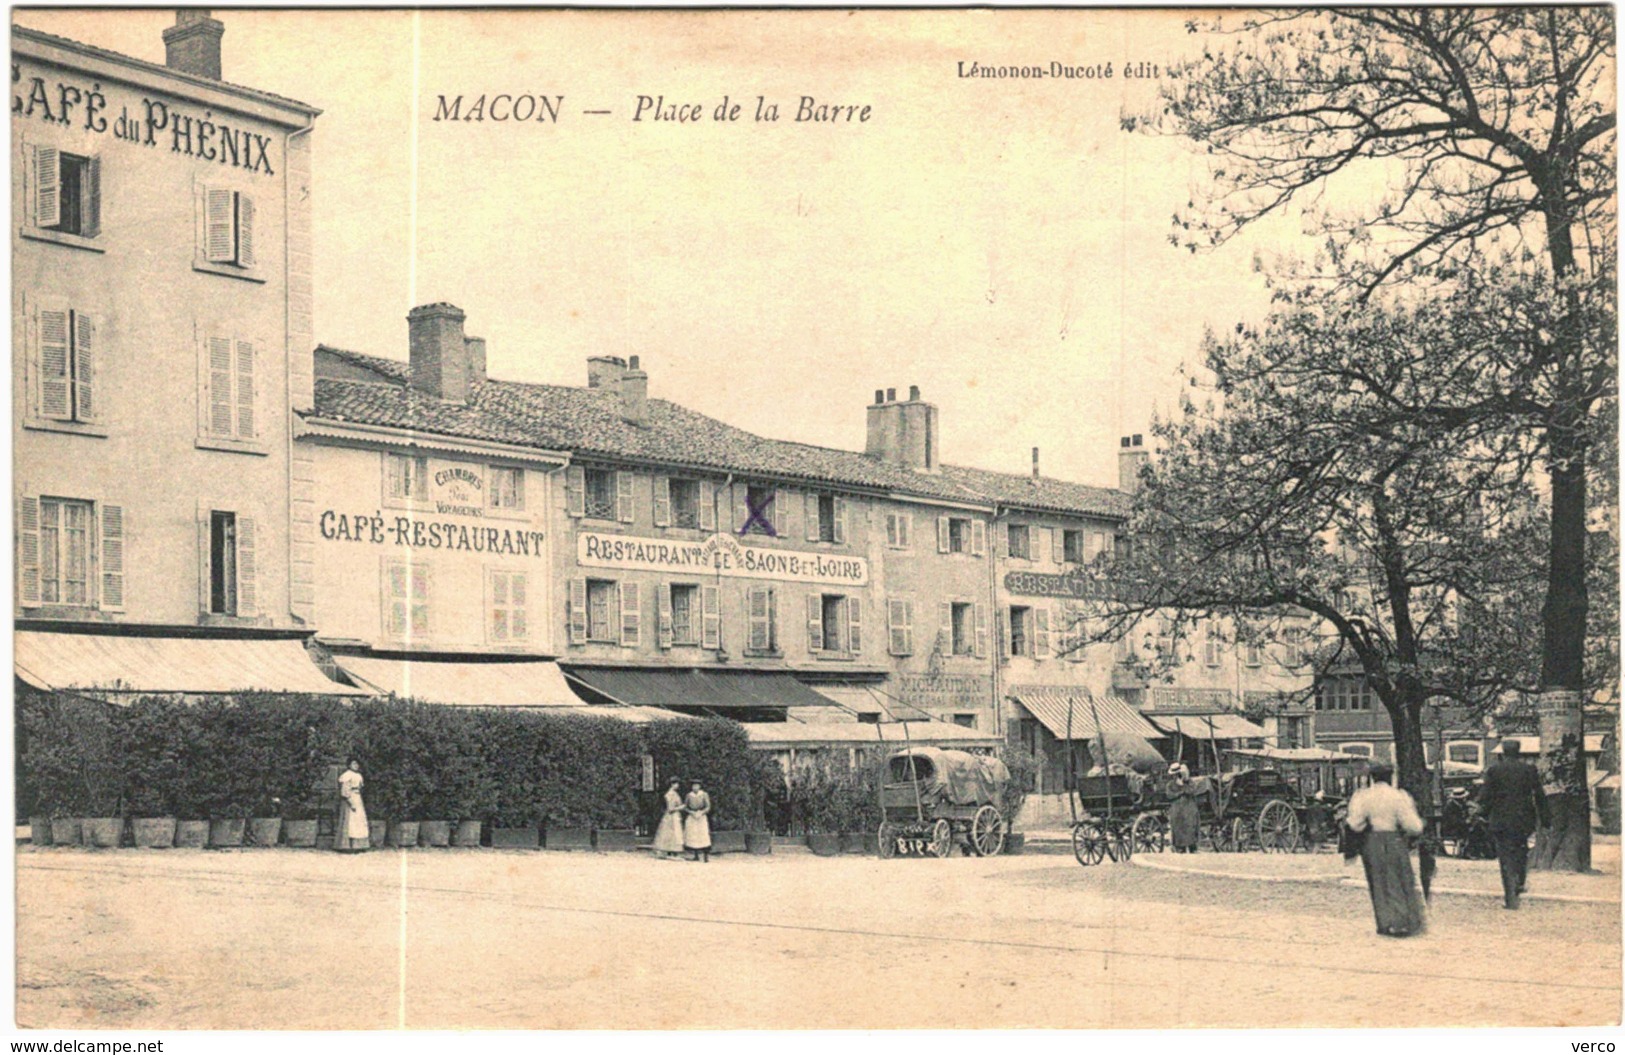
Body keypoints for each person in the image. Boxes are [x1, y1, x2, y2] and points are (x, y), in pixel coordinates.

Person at [1344, 763, 1426, 937]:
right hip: (1394, 839)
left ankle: (1384, 922)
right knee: (1399, 878)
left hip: (1373, 841)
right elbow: (1413, 825)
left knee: (1378, 881)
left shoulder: (1364, 797)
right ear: (1391, 776)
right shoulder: (1399, 796)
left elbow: (1355, 823)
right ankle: (1402, 922)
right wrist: (1417, 828)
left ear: (1372, 777)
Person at [1478, 739, 1552, 910]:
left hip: (1501, 819)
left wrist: (1482, 811)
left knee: (1505, 857)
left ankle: (1510, 896)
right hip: (1523, 819)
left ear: (1503, 751)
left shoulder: (1494, 770)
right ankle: (1520, 880)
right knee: (1521, 851)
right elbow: (1539, 795)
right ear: (1519, 751)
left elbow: (1485, 796)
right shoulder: (1529, 770)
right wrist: (1546, 819)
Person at [335, 758, 369, 853]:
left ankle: (359, 845)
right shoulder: (347, 775)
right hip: (350, 798)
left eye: (357, 764)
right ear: (349, 765)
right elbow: (345, 791)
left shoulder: (358, 775)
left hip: (358, 798)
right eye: (353, 763)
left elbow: (360, 788)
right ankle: (347, 846)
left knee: (359, 821)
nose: (356, 765)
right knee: (350, 822)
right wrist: (350, 801)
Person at [1166, 763, 1201, 853]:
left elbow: (1192, 791)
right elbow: (1169, 795)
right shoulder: (1170, 784)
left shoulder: (1189, 782)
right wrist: (1180, 792)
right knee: (1177, 826)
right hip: (1176, 809)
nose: (1175, 777)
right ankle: (1179, 846)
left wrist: (1182, 786)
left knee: (1190, 825)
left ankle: (1192, 846)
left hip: (1189, 808)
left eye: (1177, 775)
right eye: (1174, 775)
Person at [652, 778, 685, 858]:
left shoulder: (674, 794)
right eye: (676, 784)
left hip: (675, 815)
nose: (677, 785)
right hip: (671, 815)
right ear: (672, 784)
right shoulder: (669, 795)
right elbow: (670, 809)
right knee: (671, 833)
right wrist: (681, 807)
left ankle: (672, 851)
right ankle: (670, 851)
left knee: (673, 833)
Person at [683, 780, 712, 863]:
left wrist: (702, 812)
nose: (695, 787)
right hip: (692, 816)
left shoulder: (704, 794)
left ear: (699, 786)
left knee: (703, 835)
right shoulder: (689, 795)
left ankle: (705, 856)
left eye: (697, 785)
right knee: (694, 835)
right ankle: (696, 855)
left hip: (701, 816)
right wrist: (691, 812)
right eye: (693, 786)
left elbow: (708, 806)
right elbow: (685, 806)